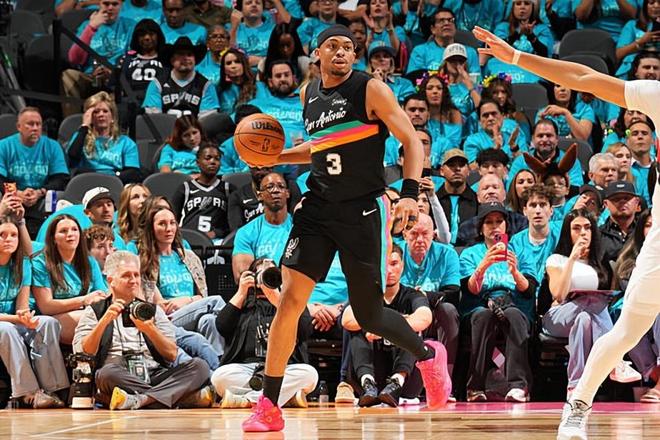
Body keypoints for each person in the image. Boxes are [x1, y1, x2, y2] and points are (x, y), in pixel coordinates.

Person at [241, 25, 451, 433]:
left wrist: (409, 193)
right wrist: (277, 157)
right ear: (316, 54)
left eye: (349, 47)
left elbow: (410, 140)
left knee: (369, 315)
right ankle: (268, 404)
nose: (341, 52)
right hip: (317, 208)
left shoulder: (370, 89)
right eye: (333, 46)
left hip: (363, 210)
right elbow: (321, 147)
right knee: (290, 302)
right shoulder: (308, 94)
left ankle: (428, 355)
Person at [474, 23, 660, 440]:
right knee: (627, 330)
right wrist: (517, 57)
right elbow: (584, 77)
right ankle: (577, 408)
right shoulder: (657, 96)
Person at [72, 251, 211, 409]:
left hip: (154, 374)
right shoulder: (95, 311)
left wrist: (150, 329)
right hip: (119, 376)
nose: (133, 280)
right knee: (106, 374)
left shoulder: (153, 310)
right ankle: (177, 397)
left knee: (200, 366)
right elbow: (84, 351)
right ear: (111, 281)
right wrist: (104, 321)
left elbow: (172, 354)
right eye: (126, 276)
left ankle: (141, 400)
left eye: (136, 275)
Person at [211, 258, 317, 408]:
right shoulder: (243, 304)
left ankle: (248, 401)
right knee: (219, 377)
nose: (265, 279)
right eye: (260, 274)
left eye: (270, 274)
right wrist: (241, 292)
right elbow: (222, 326)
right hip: (247, 369)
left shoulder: (290, 303)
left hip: (284, 369)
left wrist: (279, 300)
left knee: (309, 374)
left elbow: (305, 330)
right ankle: (286, 398)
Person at [459, 202, 537, 403]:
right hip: (481, 304)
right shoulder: (470, 254)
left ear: (506, 226)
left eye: (499, 221)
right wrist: (483, 266)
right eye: (489, 222)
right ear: (481, 228)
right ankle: (475, 387)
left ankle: (518, 386)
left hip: (514, 303)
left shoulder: (520, 251)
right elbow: (471, 290)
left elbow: (529, 289)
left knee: (513, 315)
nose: (494, 226)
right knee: (483, 317)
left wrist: (515, 272)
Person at [343, 244, 432, 407]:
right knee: (355, 329)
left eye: (394, 263)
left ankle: (396, 382)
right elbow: (346, 319)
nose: (389, 270)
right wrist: (377, 326)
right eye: (384, 265)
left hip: (406, 373)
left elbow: (424, 318)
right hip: (372, 365)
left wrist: (384, 329)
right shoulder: (366, 293)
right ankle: (367, 384)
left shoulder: (413, 295)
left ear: (402, 265)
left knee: (413, 330)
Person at [0, 215, 69, 409]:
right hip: (4, 324)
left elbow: (22, 306)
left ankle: (55, 389)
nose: (9, 239)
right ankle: (28, 393)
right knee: (6, 329)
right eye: (2, 235)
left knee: (47, 322)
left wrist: (25, 318)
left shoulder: (23, 264)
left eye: (14, 235)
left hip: (12, 319)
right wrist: (17, 319)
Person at [400, 213, 460, 382]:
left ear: (433, 234)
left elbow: (453, 293)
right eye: (414, 234)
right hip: (403, 313)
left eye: (425, 234)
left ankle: (444, 378)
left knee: (449, 310)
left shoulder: (447, 254)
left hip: (434, 314)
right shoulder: (394, 253)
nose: (420, 239)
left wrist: (424, 295)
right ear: (404, 234)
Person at [32, 215, 108, 344]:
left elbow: (101, 294)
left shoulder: (89, 261)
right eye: (63, 231)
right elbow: (46, 306)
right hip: (49, 319)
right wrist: (83, 300)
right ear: (53, 238)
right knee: (93, 320)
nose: (70, 234)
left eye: (74, 229)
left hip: (83, 313)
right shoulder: (40, 262)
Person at [611, 209, 660, 403]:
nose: (652, 229)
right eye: (648, 225)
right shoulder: (629, 260)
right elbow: (631, 288)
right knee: (624, 317)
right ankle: (652, 373)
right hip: (635, 307)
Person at [0, 107, 69, 237]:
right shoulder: (4, 146)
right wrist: (17, 193)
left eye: (38, 124)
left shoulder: (52, 146)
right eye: (30, 124)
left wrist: (39, 192)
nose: (35, 128)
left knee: (59, 196)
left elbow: (60, 178)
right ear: (19, 127)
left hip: (42, 196)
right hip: (13, 195)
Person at [62, 0, 136, 116]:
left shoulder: (130, 26)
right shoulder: (87, 25)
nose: (110, 8)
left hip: (117, 78)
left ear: (121, 5)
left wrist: (113, 73)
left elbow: (134, 57)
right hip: (90, 76)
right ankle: (72, 121)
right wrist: (91, 28)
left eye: (115, 4)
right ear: (99, 4)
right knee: (68, 75)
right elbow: (74, 59)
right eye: (106, 4)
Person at [67, 92, 141, 183]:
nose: (101, 115)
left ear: (112, 117)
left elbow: (133, 173)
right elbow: (72, 159)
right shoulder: (80, 137)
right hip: (87, 183)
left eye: (105, 111)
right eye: (96, 112)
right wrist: (85, 126)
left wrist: (111, 176)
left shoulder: (126, 142)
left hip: (116, 183)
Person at [232, 172, 293, 281]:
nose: (276, 190)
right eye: (269, 187)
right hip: (264, 288)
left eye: (281, 186)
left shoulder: (300, 227)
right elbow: (242, 277)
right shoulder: (246, 232)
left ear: (287, 193)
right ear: (259, 195)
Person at [142, 37, 220, 118]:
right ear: (172, 60)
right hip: (163, 126)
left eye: (189, 54)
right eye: (180, 54)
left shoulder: (206, 85)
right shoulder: (157, 83)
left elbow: (207, 120)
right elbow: (153, 118)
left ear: (195, 60)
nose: (186, 58)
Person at [171, 145, 229, 241]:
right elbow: (173, 219)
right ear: (198, 162)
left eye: (217, 159)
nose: (213, 161)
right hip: (188, 240)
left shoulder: (228, 189)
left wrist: (216, 233)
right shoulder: (185, 188)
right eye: (208, 158)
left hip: (217, 242)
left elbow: (234, 224)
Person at [407, 7, 481, 74]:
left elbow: (476, 80)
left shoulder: (470, 53)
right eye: (441, 21)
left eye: (450, 20)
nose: (446, 23)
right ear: (433, 29)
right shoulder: (420, 51)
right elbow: (414, 78)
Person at [116, 19, 166, 106]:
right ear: (136, 38)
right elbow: (117, 84)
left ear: (158, 36)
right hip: (130, 104)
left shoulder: (166, 59)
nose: (147, 38)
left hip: (158, 104)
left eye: (151, 34)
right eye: (142, 35)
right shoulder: (127, 59)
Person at [436, 149, 478, 245]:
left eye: (462, 165)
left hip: (469, 250)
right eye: (451, 165)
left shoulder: (477, 200)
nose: (457, 169)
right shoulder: (433, 200)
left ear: (468, 171)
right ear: (441, 171)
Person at [599, 181, 642, 267]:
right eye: (616, 199)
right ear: (606, 204)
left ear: (637, 202)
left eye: (627, 198)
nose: (622, 202)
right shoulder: (598, 234)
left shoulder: (645, 232)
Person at [218, 49, 257, 114]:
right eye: (229, 63)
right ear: (224, 69)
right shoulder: (220, 89)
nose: (233, 66)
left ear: (244, 65)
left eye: (237, 62)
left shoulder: (258, 84)